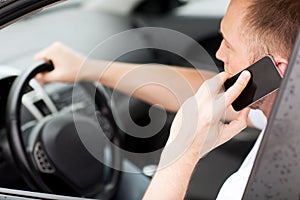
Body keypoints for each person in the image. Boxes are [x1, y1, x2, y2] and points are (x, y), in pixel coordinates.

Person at [34, 0, 300, 199]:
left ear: (278, 69)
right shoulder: (287, 107)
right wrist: (88, 68)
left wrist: (183, 149)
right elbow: (196, 89)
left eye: (229, 44)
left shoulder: (257, 188)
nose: (219, 53)